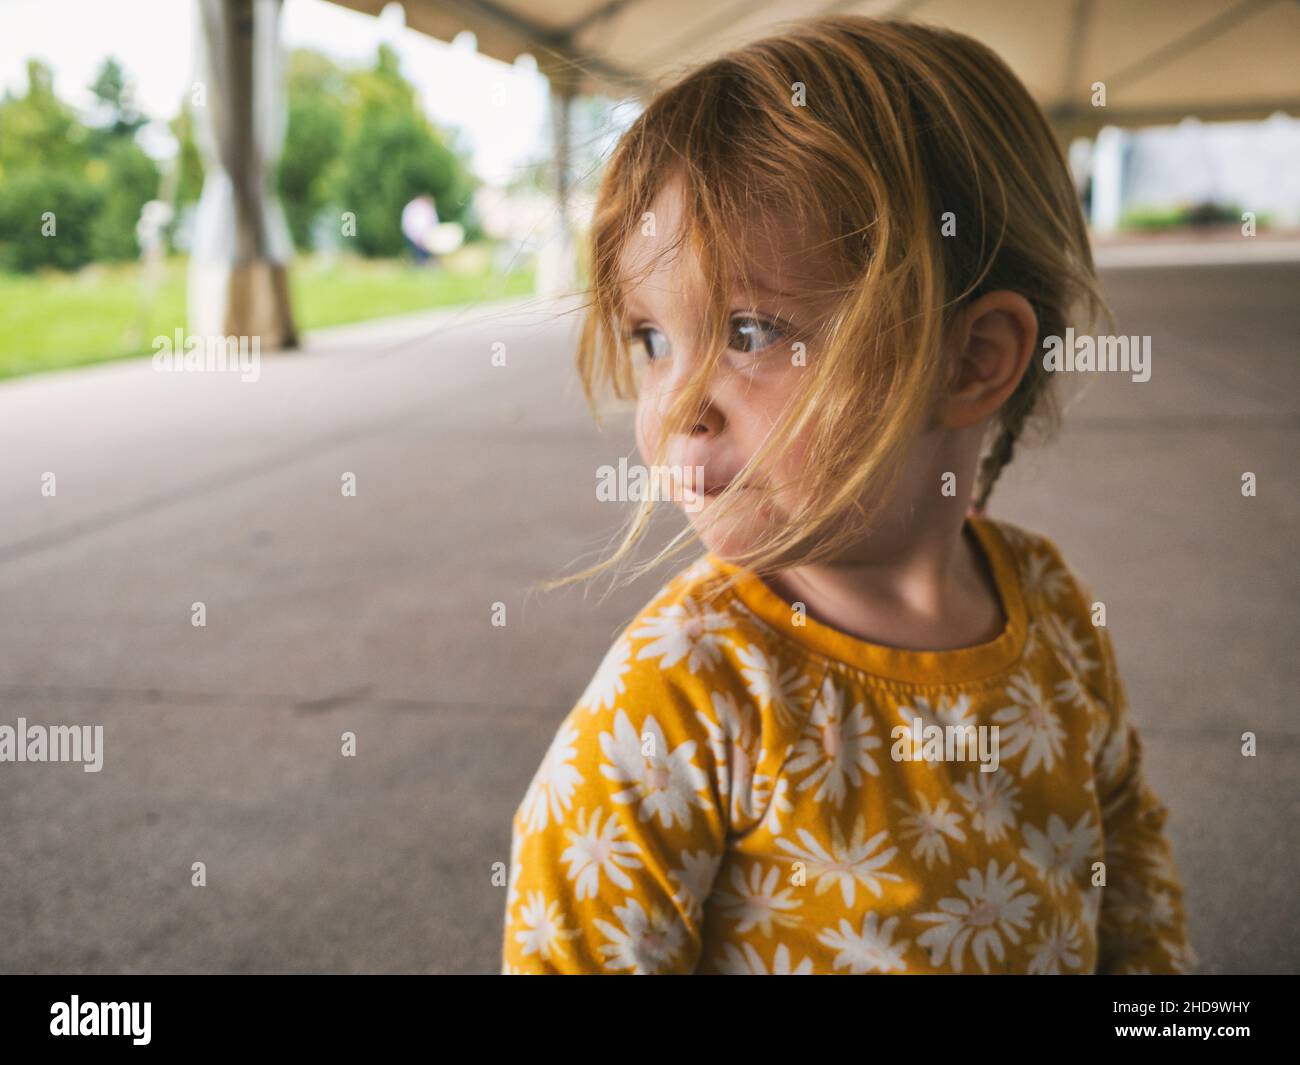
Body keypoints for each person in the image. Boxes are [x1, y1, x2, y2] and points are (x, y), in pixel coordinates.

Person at [501, 15, 1195, 975]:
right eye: (652, 339)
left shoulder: (1055, 609)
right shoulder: (678, 701)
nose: (675, 411)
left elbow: (1131, 866)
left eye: (749, 331)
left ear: (973, 360)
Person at [400, 193, 439, 265]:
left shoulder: (428, 208)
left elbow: (433, 223)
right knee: (418, 255)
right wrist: (416, 237)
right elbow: (408, 225)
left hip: (427, 237)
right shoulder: (412, 207)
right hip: (413, 238)